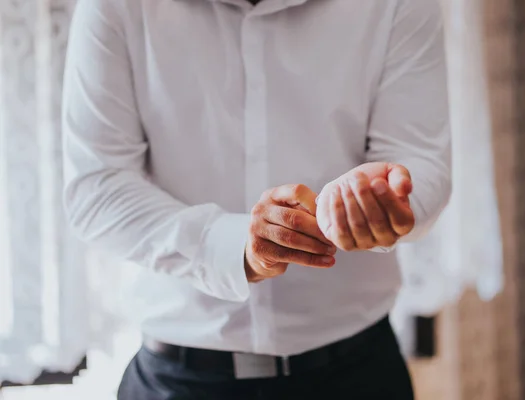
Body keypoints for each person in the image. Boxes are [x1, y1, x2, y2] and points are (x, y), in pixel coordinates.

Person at [62, 0, 451, 398]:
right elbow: (97, 188)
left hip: (359, 373)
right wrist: (235, 247)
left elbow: (418, 159)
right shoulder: (115, 6)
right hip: (177, 379)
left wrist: (382, 200)